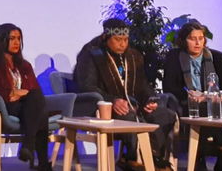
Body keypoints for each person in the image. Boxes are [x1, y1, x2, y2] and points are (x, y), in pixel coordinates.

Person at [74, 18, 176, 171]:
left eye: (125, 40)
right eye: (117, 39)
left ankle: (154, 157)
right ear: (106, 37)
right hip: (103, 108)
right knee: (129, 117)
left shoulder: (134, 57)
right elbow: (87, 86)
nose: (122, 44)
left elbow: (142, 85)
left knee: (165, 114)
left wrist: (149, 100)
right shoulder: (91, 55)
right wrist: (112, 101)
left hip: (133, 106)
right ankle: (135, 158)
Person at [163, 21, 222, 171]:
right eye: (192, 38)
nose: (197, 43)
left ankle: (221, 160)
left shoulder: (218, 58)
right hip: (187, 104)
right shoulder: (174, 57)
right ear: (183, 41)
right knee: (199, 110)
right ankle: (200, 159)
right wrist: (190, 95)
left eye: (201, 38)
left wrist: (219, 96)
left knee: (220, 109)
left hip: (214, 103)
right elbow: (169, 88)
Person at [0, 23, 52, 171]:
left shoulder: (25, 65)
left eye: (19, 38)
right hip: (4, 108)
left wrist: (20, 93)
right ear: (1, 40)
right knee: (40, 110)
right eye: (12, 38)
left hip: (25, 106)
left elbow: (33, 90)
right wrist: (10, 94)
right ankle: (37, 156)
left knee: (38, 102)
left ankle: (29, 147)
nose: (16, 42)